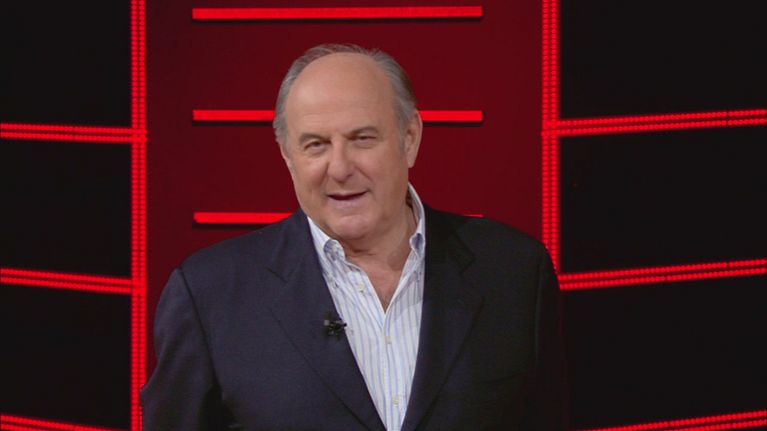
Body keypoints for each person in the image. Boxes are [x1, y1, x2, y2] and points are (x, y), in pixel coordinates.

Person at [141, 43, 568, 430]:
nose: (340, 168)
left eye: (362, 139)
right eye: (315, 145)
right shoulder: (210, 294)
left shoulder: (513, 271)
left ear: (410, 139)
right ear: (287, 155)